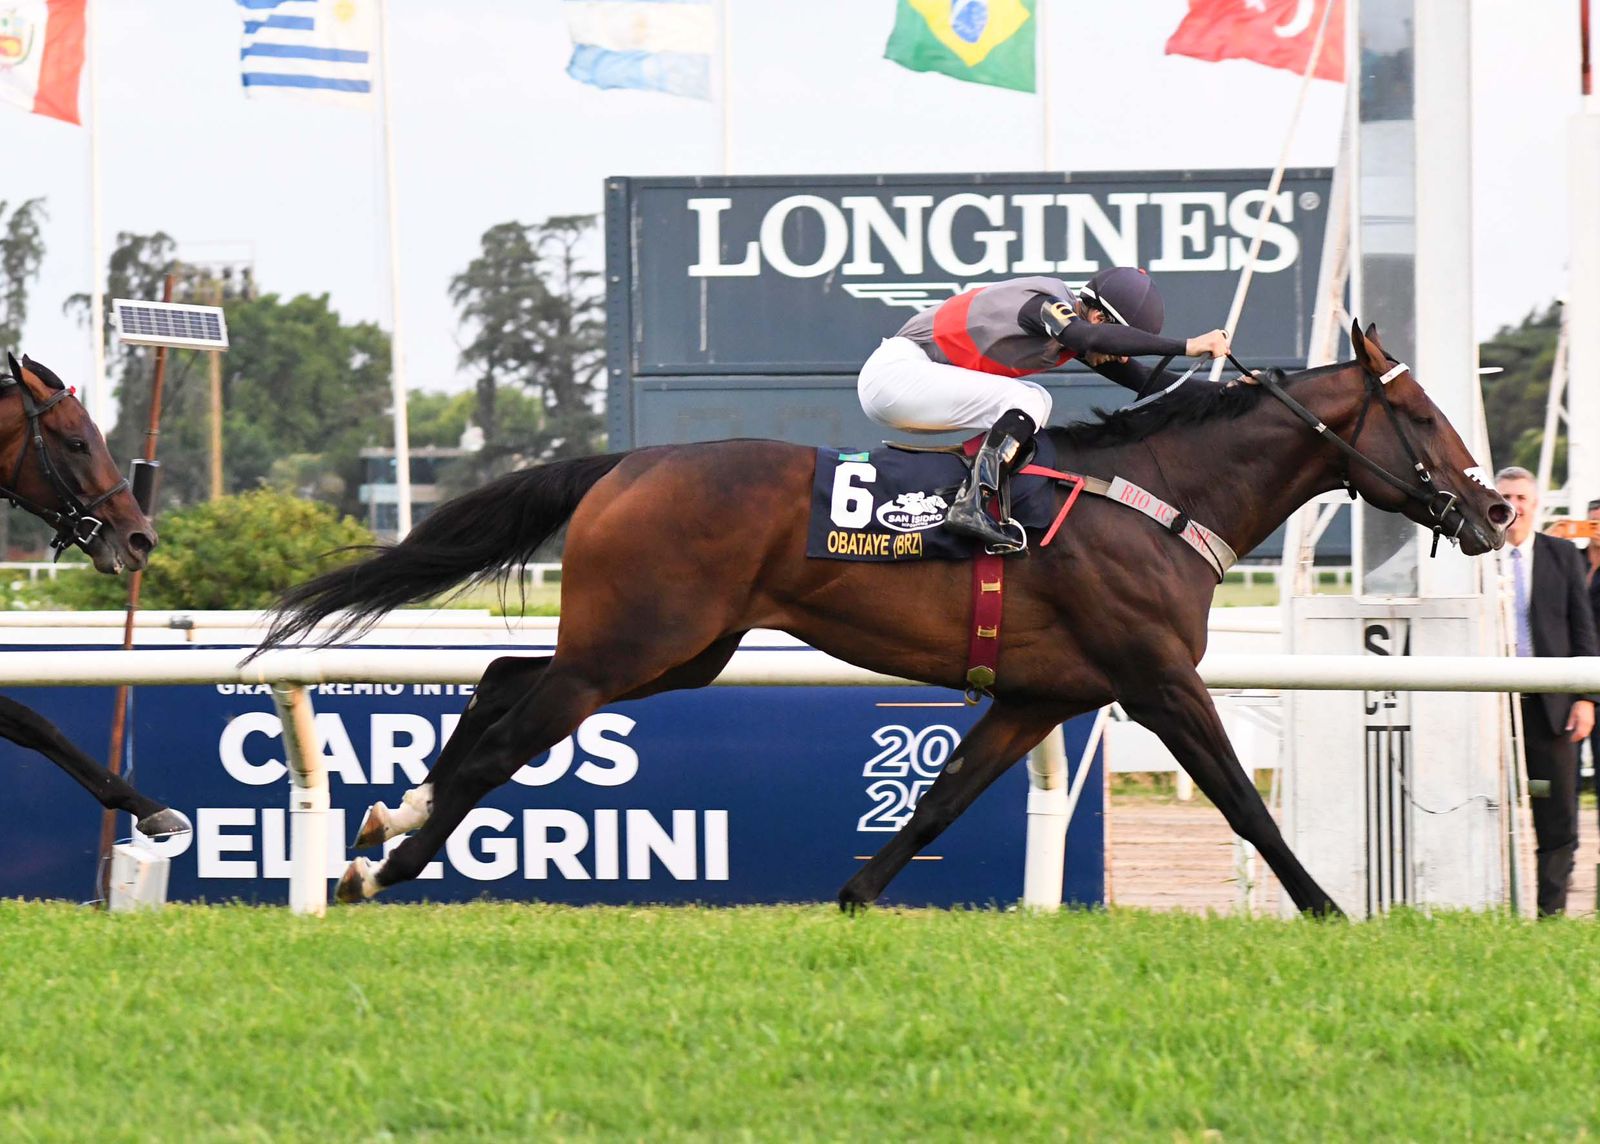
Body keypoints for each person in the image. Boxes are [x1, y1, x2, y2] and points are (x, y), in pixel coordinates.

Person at [856, 267, 1231, 553]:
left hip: (910, 380)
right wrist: (1186, 345)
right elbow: (1085, 336)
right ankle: (972, 503)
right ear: (1099, 318)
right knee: (1030, 400)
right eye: (1122, 344)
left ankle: (968, 492)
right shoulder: (1045, 304)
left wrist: (1228, 393)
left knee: (1029, 399)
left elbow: (1144, 379)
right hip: (896, 375)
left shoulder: (1073, 332)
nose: (1122, 356)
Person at [1495, 467, 1599, 916]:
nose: (1513, 505)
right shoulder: (1478, 556)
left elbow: (1583, 630)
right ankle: (1488, 909)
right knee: (1487, 803)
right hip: (1490, 705)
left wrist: (1586, 698)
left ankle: (1550, 914)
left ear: (1535, 505)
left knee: (1556, 812)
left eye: (1521, 497)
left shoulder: (1561, 556)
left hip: (1550, 705)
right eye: (1505, 496)